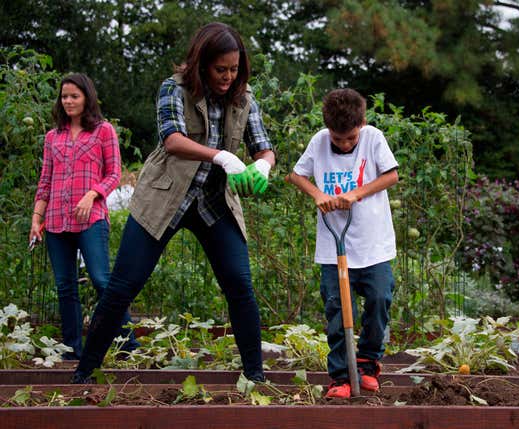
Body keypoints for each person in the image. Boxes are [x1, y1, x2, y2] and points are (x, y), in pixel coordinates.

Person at [71, 22, 274, 383]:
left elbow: (264, 147)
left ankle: (255, 377)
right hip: (164, 198)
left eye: (234, 69)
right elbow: (173, 141)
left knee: (239, 285)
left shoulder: (244, 97)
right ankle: (84, 372)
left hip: (214, 203)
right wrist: (223, 157)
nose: (228, 77)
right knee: (123, 285)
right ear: (202, 63)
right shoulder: (174, 88)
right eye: (220, 69)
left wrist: (262, 165)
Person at [287, 88, 398, 398]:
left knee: (379, 299)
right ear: (328, 130)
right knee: (336, 312)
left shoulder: (373, 138)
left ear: (361, 124)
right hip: (333, 248)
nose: (345, 144)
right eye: (338, 139)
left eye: (351, 138)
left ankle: (366, 363)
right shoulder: (319, 141)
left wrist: (356, 194)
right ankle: (340, 377)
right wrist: (318, 195)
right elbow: (295, 176)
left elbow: (391, 176)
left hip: (373, 245)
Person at [30, 73, 139, 360]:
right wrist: (35, 219)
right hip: (55, 221)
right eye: (64, 96)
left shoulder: (103, 131)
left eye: (74, 96)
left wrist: (92, 195)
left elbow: (114, 173)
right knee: (65, 287)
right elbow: (45, 182)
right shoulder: (53, 137)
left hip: (91, 220)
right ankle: (71, 350)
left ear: (86, 98)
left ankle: (129, 345)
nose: (68, 101)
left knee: (102, 280)